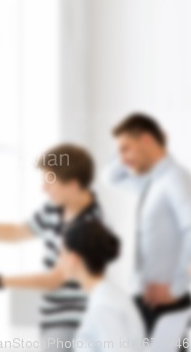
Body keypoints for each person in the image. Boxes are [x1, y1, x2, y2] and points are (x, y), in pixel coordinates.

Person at [0, 144, 103, 351]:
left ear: (72, 185)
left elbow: (55, 279)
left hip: (74, 324)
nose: (43, 188)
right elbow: (17, 232)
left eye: (50, 181)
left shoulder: (88, 225)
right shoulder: (55, 210)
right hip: (52, 319)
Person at [103, 113, 191, 349]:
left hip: (167, 303)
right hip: (146, 303)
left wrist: (176, 287)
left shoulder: (175, 179)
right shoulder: (151, 183)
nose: (122, 158)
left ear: (147, 140)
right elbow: (110, 177)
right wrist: (124, 153)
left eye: (126, 149)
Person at [58, 219, 145, 352]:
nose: (59, 261)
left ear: (74, 258)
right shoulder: (108, 295)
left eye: (62, 254)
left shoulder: (104, 306)